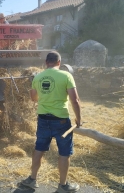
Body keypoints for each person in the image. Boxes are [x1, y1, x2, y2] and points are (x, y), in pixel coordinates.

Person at [20, 51, 82, 193]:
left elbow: (33, 98)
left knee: (39, 149)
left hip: (43, 120)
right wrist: (79, 119)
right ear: (59, 62)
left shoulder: (38, 77)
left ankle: (32, 179)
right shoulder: (66, 75)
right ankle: (63, 186)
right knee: (64, 153)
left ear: (46, 63)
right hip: (61, 121)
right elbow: (75, 100)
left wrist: (45, 96)